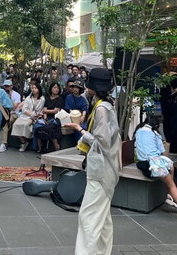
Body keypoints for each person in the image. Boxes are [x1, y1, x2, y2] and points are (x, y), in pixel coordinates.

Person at [65, 68, 121, 255]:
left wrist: (80, 130)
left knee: (88, 216)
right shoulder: (107, 105)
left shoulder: (101, 109)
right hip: (107, 167)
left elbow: (102, 142)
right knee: (102, 217)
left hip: (101, 169)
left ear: (92, 88)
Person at [134, 116, 177, 224]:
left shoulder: (137, 131)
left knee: (171, 168)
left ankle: (168, 196)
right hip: (155, 164)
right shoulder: (155, 133)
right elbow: (163, 152)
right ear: (156, 125)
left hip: (142, 164)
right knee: (172, 184)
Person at [12, 83, 45, 152]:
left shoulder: (42, 99)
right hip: (26, 115)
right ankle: (24, 142)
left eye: (35, 88)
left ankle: (27, 141)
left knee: (26, 125)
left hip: (35, 117)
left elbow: (40, 110)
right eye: (32, 88)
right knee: (16, 124)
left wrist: (34, 116)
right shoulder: (28, 98)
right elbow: (24, 109)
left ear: (39, 89)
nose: (33, 89)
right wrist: (31, 114)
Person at [36, 81, 64, 153]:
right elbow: (44, 110)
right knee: (38, 127)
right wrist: (45, 118)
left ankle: (56, 145)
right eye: (54, 87)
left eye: (57, 88)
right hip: (47, 118)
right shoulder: (47, 98)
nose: (56, 89)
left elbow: (55, 111)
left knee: (50, 127)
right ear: (51, 88)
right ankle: (40, 146)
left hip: (56, 118)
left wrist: (46, 111)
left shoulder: (60, 99)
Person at [0, 79, 21, 152]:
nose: (6, 88)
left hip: (13, 113)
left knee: (5, 123)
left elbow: (14, 107)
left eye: (8, 86)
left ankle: (3, 143)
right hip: (3, 112)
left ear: (11, 86)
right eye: (5, 86)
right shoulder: (1, 93)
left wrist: (9, 98)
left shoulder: (16, 95)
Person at [64, 79, 88, 143]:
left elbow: (84, 109)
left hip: (80, 117)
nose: (75, 89)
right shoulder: (69, 97)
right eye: (74, 87)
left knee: (83, 127)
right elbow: (69, 109)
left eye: (77, 88)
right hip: (71, 116)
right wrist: (74, 116)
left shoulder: (82, 99)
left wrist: (83, 116)